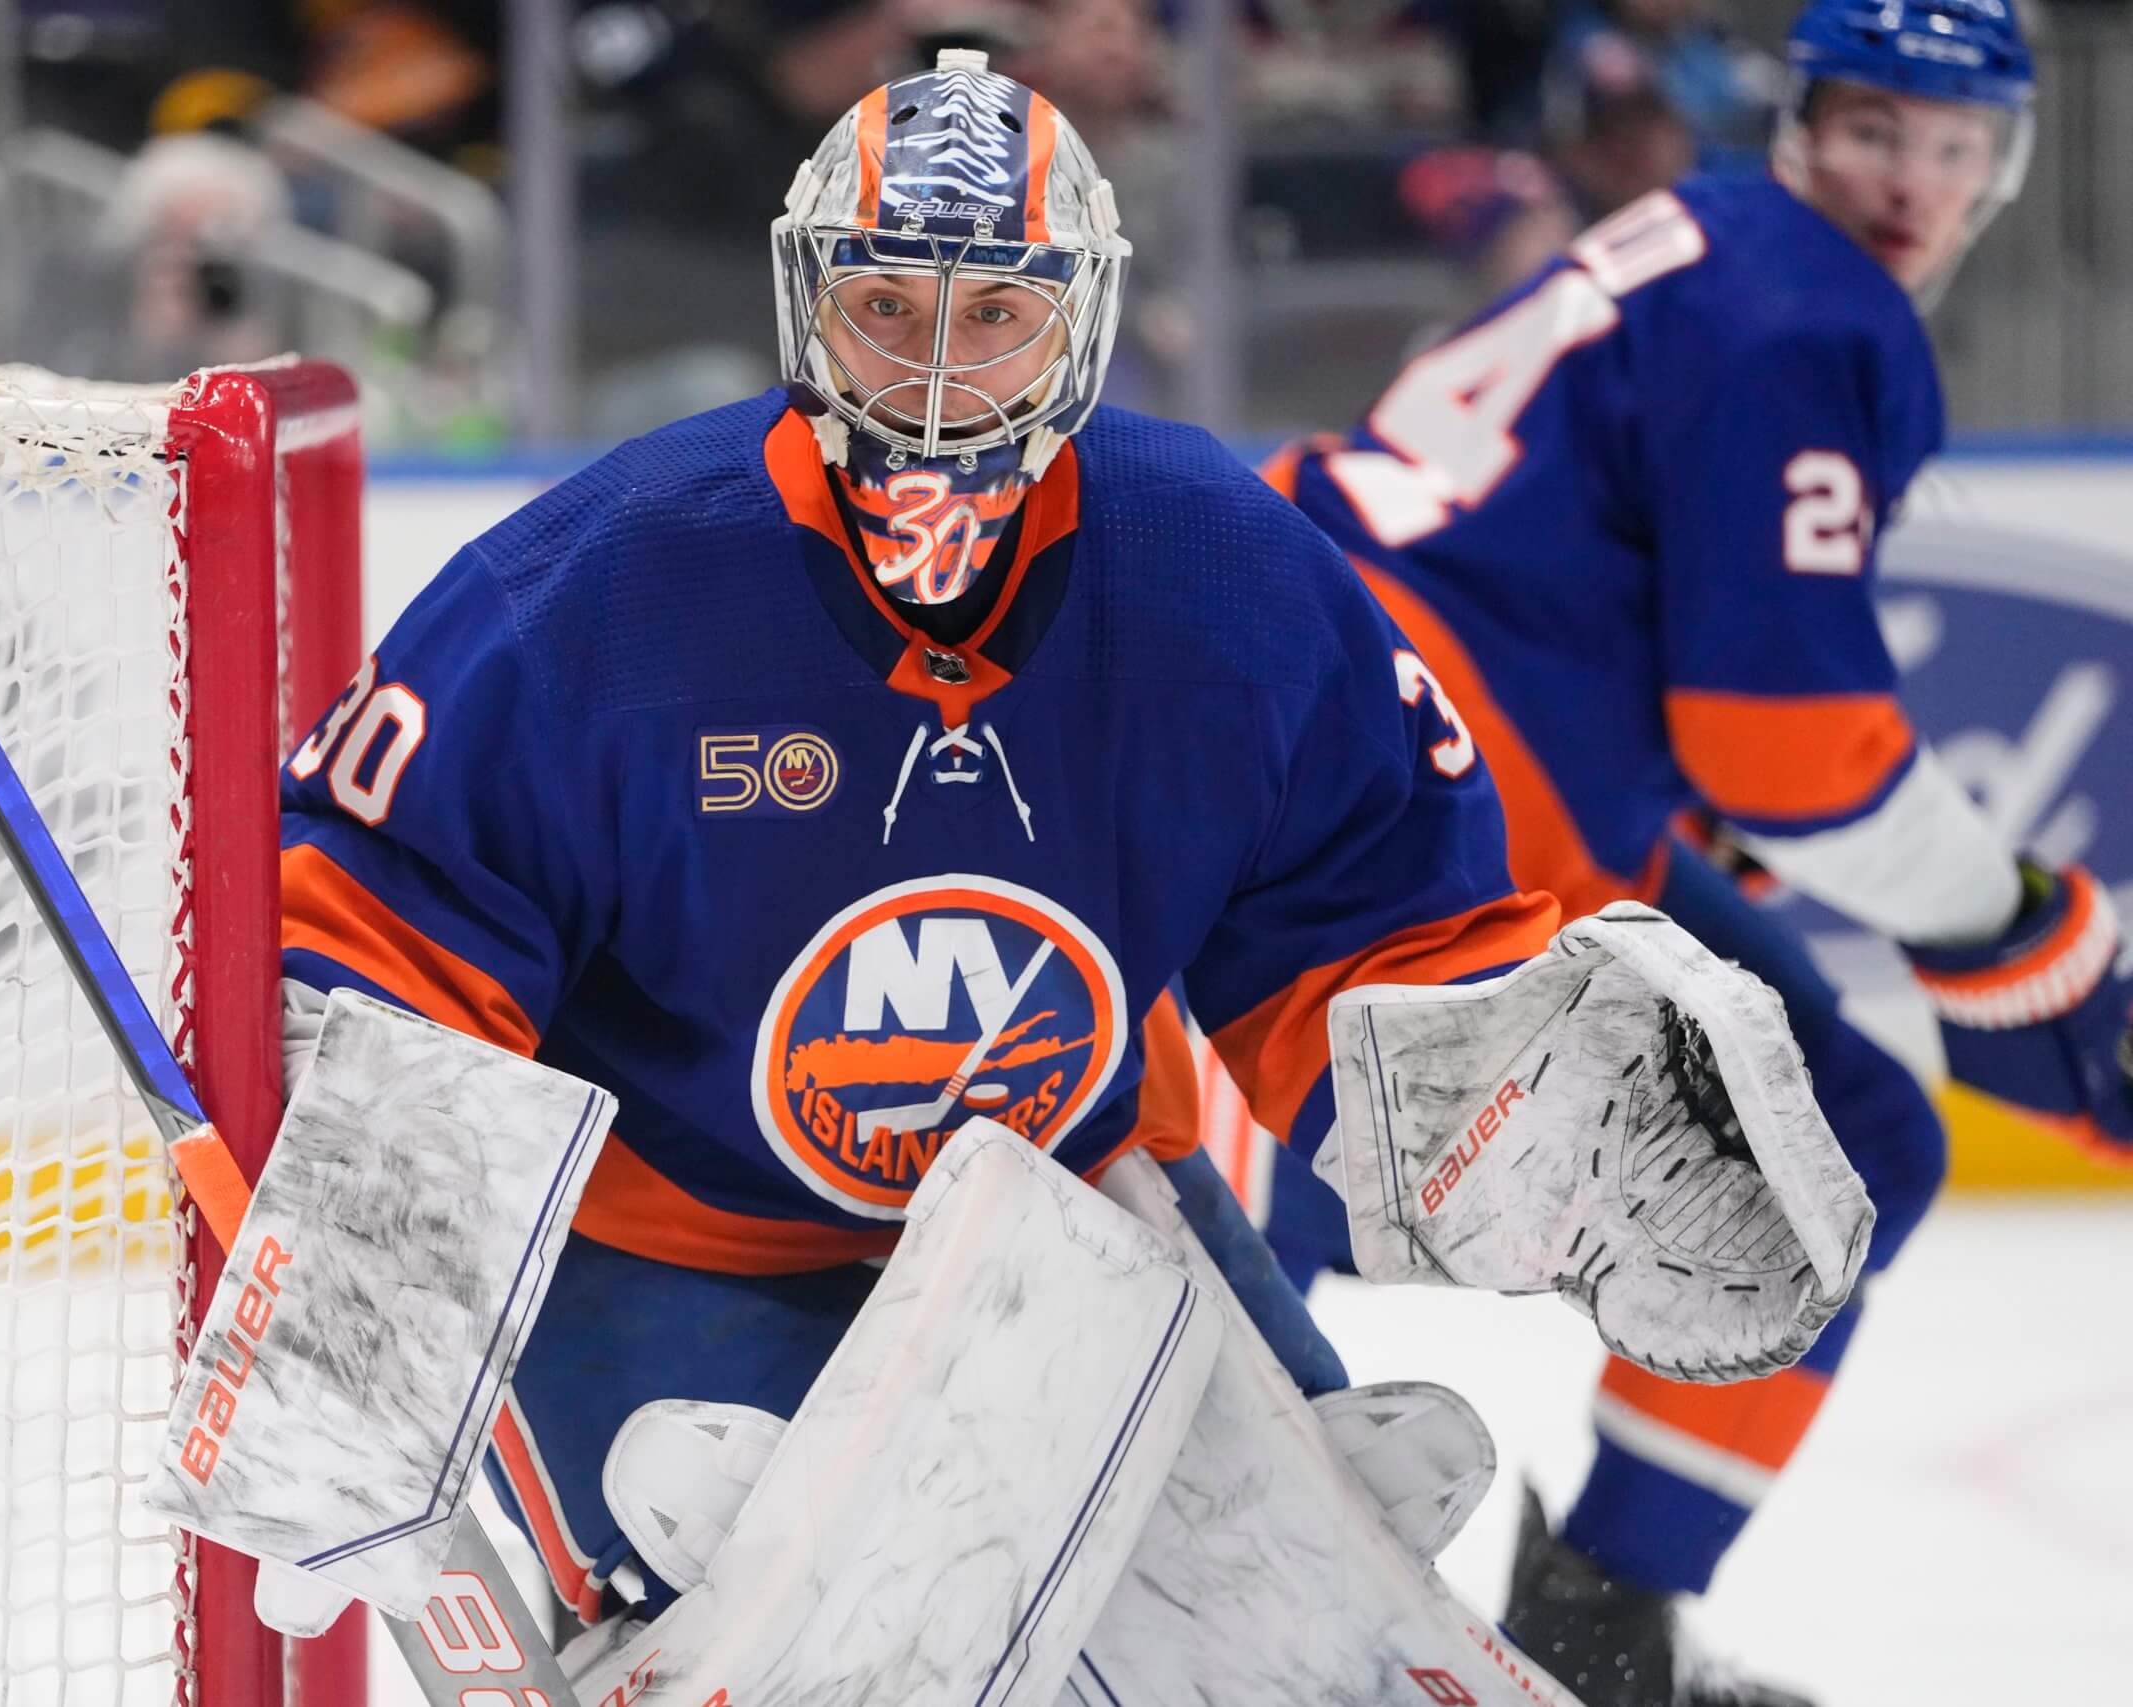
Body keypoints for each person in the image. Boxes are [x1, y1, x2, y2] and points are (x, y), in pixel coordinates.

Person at [271, 47, 1854, 1689]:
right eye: (889, 306)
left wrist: (1522, 1114)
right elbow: (385, 925)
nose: (941, 372)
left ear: (1078, 319)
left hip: (1081, 1220)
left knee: (1306, 1638)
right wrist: (365, 1292)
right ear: (810, 304)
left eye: (997, 314)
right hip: (684, 1238)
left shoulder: (1220, 571)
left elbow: (1363, 931)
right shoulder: (605, 578)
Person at [1260, 2, 2133, 1701]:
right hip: (1431, 771)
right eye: (1879, 127)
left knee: (1849, 1131)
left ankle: (1603, 1631)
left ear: (2006, 164)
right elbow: (1790, 753)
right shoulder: (1814, 317)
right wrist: (2019, 924)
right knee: (1270, 1182)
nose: (1913, 178)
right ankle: (1163, 1574)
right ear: (1807, 121)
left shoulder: (1720, 237)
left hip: (1348, 680)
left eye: (1954, 145)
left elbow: (1633, 600)